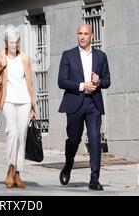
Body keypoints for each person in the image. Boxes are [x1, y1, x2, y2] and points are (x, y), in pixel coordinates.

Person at [57, 24, 111, 191]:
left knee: (95, 140)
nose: (82, 36)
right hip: (74, 103)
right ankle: (68, 164)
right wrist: (82, 86)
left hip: (93, 104)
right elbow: (61, 81)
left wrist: (99, 82)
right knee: (74, 140)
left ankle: (94, 179)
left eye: (85, 34)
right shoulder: (68, 55)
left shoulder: (101, 56)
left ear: (92, 36)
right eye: (79, 33)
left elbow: (107, 81)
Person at [0, 25, 38, 189]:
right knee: (12, 131)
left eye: (16, 42)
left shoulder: (25, 58)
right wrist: (0, 67)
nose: (14, 45)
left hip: (24, 100)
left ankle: (18, 174)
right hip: (8, 100)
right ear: (6, 43)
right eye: (11, 42)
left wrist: (33, 104)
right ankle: (10, 168)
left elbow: (29, 82)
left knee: (22, 136)